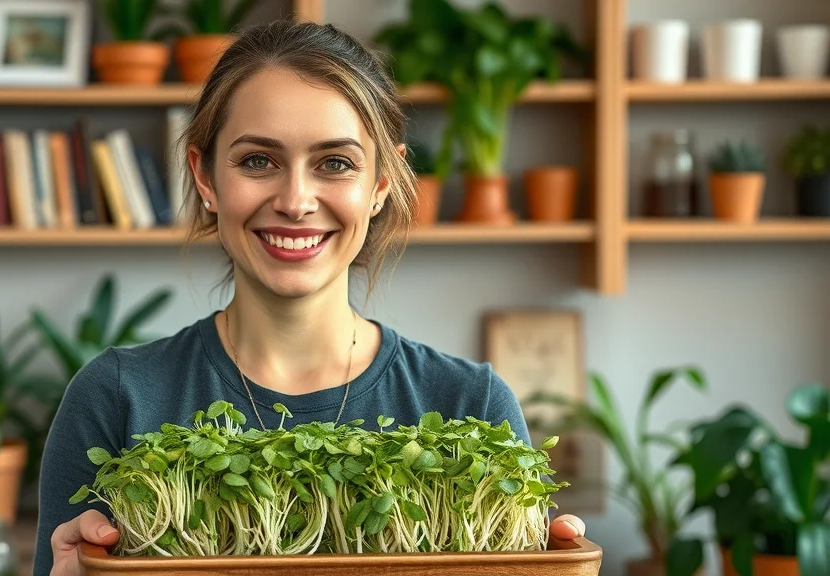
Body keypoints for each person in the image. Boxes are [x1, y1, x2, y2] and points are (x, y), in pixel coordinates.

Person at [33, 18, 588, 576]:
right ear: (206, 178)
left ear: (379, 185)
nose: (295, 200)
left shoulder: (471, 403)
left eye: (335, 164)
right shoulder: (117, 398)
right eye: (258, 161)